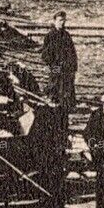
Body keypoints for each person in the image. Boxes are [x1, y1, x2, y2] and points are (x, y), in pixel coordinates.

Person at [40, 11, 78, 141]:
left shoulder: (67, 36)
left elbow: (73, 55)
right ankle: (55, 129)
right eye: (60, 20)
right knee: (54, 100)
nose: (62, 23)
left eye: (64, 20)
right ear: (54, 21)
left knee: (66, 102)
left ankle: (64, 128)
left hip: (66, 75)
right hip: (56, 74)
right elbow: (44, 56)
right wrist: (54, 66)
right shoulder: (50, 36)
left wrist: (72, 71)